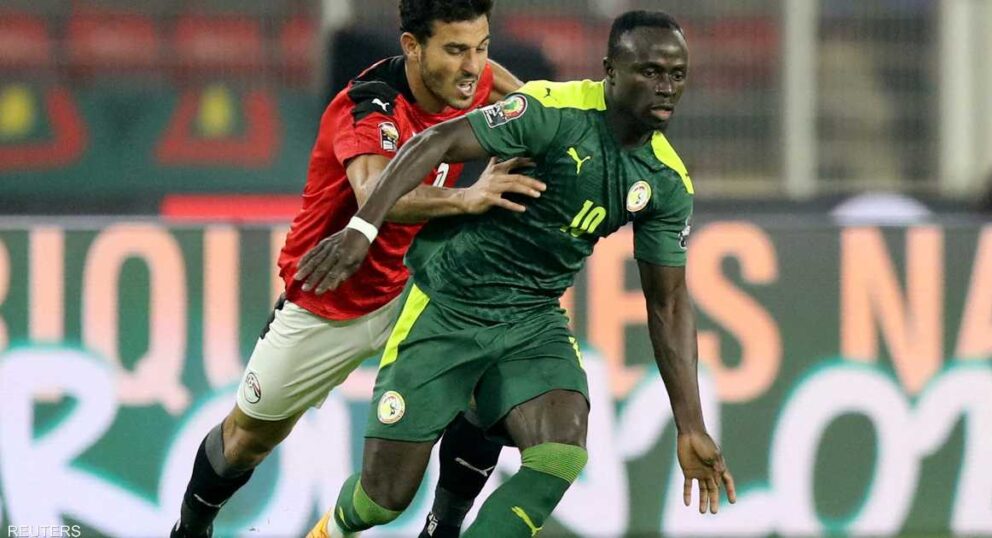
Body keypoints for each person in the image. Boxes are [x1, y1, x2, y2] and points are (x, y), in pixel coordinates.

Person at [296, 10, 736, 537]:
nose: (666, 87)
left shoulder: (665, 181)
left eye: (677, 74)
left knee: (562, 449)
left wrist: (690, 425)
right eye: (650, 72)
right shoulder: (551, 112)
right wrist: (363, 229)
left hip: (533, 318)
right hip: (450, 305)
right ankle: (331, 528)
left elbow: (668, 304)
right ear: (611, 71)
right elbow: (433, 143)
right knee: (382, 500)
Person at [169, 2, 545, 537]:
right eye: (457, 50)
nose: (473, 66)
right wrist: (469, 197)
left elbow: (537, 109)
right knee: (246, 439)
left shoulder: (475, 81)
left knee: (493, 394)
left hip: (416, 289)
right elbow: (376, 193)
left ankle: (443, 529)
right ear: (413, 47)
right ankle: (190, 527)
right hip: (331, 298)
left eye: (482, 48)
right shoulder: (367, 107)